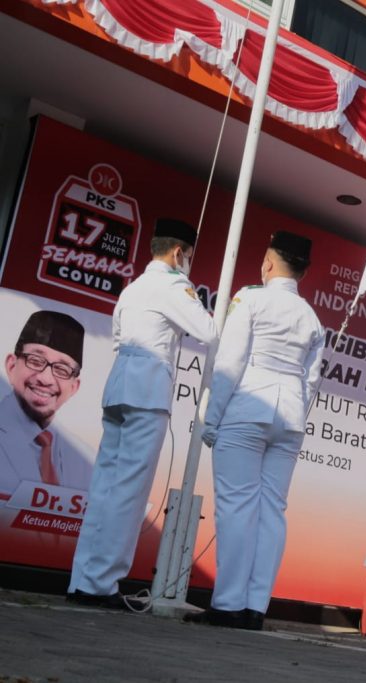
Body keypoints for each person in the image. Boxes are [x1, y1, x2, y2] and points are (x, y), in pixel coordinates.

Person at [68, 218, 217, 609]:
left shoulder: (133, 288)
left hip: (119, 385)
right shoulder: (173, 286)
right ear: (178, 253)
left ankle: (83, 579)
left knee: (103, 488)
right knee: (128, 493)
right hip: (147, 391)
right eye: (189, 256)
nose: (189, 262)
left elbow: (119, 335)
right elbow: (208, 330)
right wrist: (192, 296)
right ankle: (101, 585)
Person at [186, 230, 325, 631]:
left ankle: (228, 603)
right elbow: (311, 381)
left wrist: (211, 419)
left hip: (248, 408)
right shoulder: (312, 317)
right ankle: (254, 607)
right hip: (291, 417)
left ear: (267, 263)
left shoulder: (251, 299)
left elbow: (230, 364)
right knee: (271, 512)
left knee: (236, 506)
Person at [1, 311, 91, 496]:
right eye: (35, 361)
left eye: (62, 369)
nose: (45, 378)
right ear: (11, 366)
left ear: (73, 387)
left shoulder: (85, 460)